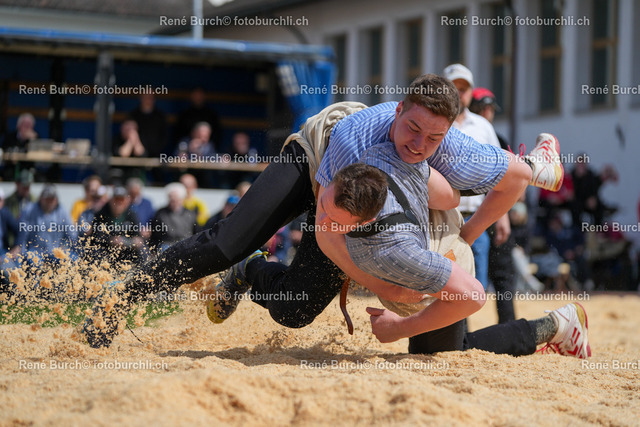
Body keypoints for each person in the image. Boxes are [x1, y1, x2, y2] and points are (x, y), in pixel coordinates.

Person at [81, 74, 563, 348]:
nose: (419, 144)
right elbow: (330, 227)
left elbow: (518, 175)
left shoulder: (454, 149)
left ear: (448, 135)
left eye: (432, 137)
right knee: (228, 242)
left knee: (296, 312)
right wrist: (373, 281)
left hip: (369, 206)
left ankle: (253, 274)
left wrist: (471, 234)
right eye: (412, 129)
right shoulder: (357, 138)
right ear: (398, 111)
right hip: (316, 166)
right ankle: (115, 304)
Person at [208, 146, 589, 359]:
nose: (322, 219)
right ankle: (250, 267)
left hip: (427, 255)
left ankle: (554, 326)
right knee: (294, 309)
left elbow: (470, 294)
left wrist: (399, 327)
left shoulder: (408, 251)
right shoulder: (372, 157)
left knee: (440, 354)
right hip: (361, 218)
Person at [444, 64, 506, 291]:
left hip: (477, 219)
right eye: (454, 87)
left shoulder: (483, 127)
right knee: (443, 285)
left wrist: (503, 217)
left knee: (476, 287)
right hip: (441, 220)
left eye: (464, 89)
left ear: (471, 92)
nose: (460, 93)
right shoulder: (435, 123)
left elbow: (501, 173)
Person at [469, 86, 516, 323]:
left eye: (490, 108)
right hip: (471, 213)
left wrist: (505, 214)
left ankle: (508, 327)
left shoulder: (499, 140)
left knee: (503, 274)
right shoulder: (463, 137)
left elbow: (509, 179)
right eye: (482, 108)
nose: (487, 113)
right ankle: (460, 335)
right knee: (467, 279)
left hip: (495, 213)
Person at [14, 184, 77, 265]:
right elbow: (23, 235)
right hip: (35, 251)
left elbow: (72, 234)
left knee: (74, 260)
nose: (49, 202)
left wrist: (67, 247)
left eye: (52, 199)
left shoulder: (62, 211)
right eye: (47, 199)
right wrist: (21, 251)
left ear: (56, 200)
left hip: (56, 251)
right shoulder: (29, 210)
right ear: (41, 198)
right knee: (34, 262)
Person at [89, 186, 144, 266]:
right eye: (116, 200)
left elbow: (138, 238)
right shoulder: (101, 214)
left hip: (126, 250)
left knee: (141, 251)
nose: (119, 203)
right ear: (111, 201)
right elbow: (97, 237)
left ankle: (138, 272)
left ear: (127, 201)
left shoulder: (132, 215)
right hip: (107, 250)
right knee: (96, 251)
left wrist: (126, 242)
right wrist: (111, 240)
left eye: (122, 200)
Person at [149, 183, 197, 252]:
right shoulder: (161, 213)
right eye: (171, 199)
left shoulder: (190, 214)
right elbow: (155, 234)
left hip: (185, 242)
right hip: (167, 243)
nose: (173, 201)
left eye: (176, 199)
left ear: (182, 199)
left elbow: (196, 232)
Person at [175, 87, 223, 152]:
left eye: (200, 95)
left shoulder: (211, 114)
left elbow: (217, 135)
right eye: (196, 95)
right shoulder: (185, 114)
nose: (198, 98)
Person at [129, 93, 167, 159]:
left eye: (150, 98)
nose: (147, 100)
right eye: (145, 97)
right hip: (136, 156)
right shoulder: (133, 115)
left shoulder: (160, 116)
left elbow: (164, 138)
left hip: (156, 156)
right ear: (140, 98)